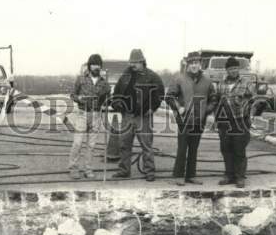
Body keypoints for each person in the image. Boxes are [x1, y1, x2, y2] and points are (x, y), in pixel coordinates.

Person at [110, 48, 164, 182]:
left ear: (143, 62)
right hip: (127, 116)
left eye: (136, 62)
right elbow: (116, 93)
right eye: (131, 62)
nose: (132, 65)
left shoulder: (152, 76)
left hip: (143, 117)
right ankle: (124, 170)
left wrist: (153, 108)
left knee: (146, 145)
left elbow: (160, 94)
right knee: (124, 144)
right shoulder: (125, 76)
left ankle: (149, 172)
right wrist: (117, 104)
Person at [166, 51, 217, 185]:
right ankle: (178, 175)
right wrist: (179, 107)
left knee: (194, 148)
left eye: (197, 63)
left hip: (199, 120)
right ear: (188, 65)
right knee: (182, 148)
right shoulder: (179, 79)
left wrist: (207, 110)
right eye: (192, 63)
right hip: (184, 120)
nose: (194, 66)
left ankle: (191, 175)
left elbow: (214, 98)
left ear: (200, 64)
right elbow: (169, 97)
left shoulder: (207, 81)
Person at [68, 53, 111, 180]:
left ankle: (88, 169)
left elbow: (108, 99)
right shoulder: (81, 79)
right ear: (89, 66)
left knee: (91, 145)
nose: (96, 67)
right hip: (82, 114)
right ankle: (73, 168)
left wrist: (107, 101)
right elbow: (72, 95)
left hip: (96, 115)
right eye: (94, 65)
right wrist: (79, 98)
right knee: (78, 142)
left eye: (98, 65)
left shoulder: (104, 83)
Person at [214, 56, 254, 188]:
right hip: (224, 122)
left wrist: (249, 118)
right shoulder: (221, 84)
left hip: (240, 121)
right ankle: (228, 175)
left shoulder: (246, 83)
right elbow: (216, 102)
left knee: (239, 148)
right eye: (231, 68)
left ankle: (240, 177)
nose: (233, 71)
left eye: (236, 68)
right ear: (227, 70)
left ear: (239, 69)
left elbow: (252, 101)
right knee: (226, 148)